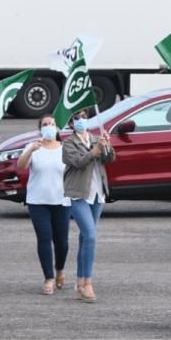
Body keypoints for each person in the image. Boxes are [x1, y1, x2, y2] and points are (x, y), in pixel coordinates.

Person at [62, 109, 116, 303]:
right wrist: (94, 151)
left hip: (97, 193)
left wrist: (106, 144)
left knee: (86, 238)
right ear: (71, 123)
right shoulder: (69, 143)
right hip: (78, 194)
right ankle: (87, 283)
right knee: (91, 235)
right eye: (77, 118)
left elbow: (110, 159)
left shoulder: (95, 138)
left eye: (84, 117)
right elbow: (77, 162)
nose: (81, 121)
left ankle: (79, 283)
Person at [18, 115, 71, 295]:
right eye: (45, 125)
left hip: (61, 200)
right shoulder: (34, 147)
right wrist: (31, 150)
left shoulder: (64, 149)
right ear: (40, 128)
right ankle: (48, 277)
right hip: (38, 201)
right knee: (44, 237)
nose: (48, 127)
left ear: (57, 128)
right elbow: (21, 165)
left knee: (62, 241)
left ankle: (60, 270)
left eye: (52, 124)